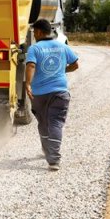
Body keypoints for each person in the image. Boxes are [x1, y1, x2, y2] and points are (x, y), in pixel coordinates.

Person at [25, 19, 79, 171]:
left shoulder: (35, 49)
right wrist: (61, 71)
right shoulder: (62, 46)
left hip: (40, 95)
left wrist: (27, 84)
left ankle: (48, 151)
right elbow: (75, 64)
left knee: (43, 123)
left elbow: (31, 65)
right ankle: (53, 160)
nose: (34, 35)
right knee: (55, 123)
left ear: (40, 32)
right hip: (60, 92)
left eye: (35, 32)